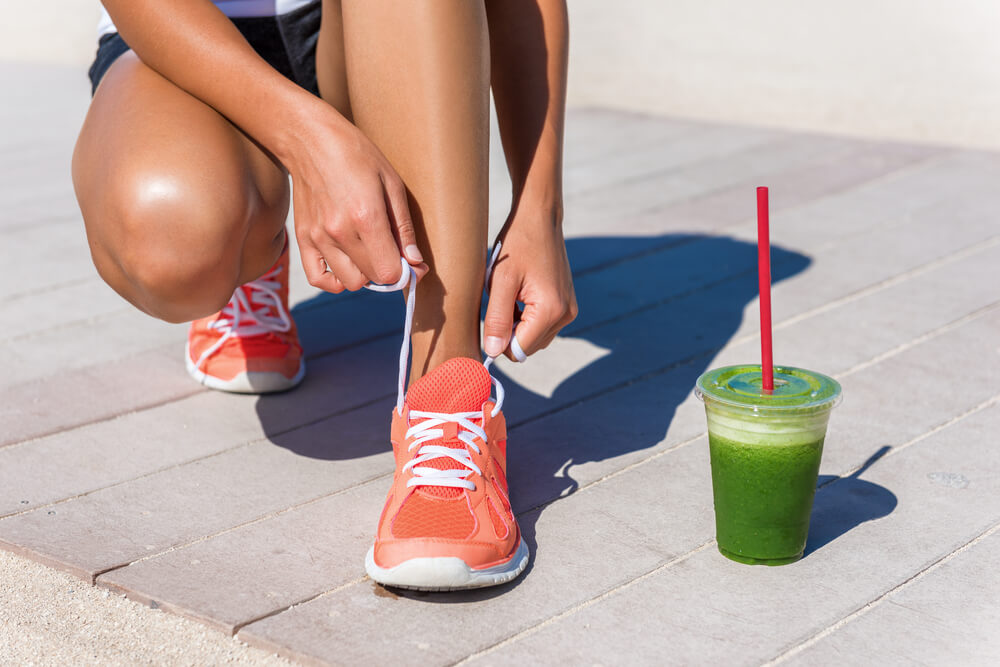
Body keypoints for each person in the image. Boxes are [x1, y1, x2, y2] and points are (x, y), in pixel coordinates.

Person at [72, 0, 575, 590]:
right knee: (173, 242)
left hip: (364, 27)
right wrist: (305, 141)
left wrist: (539, 210)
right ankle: (253, 239)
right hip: (186, 32)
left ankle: (446, 392)